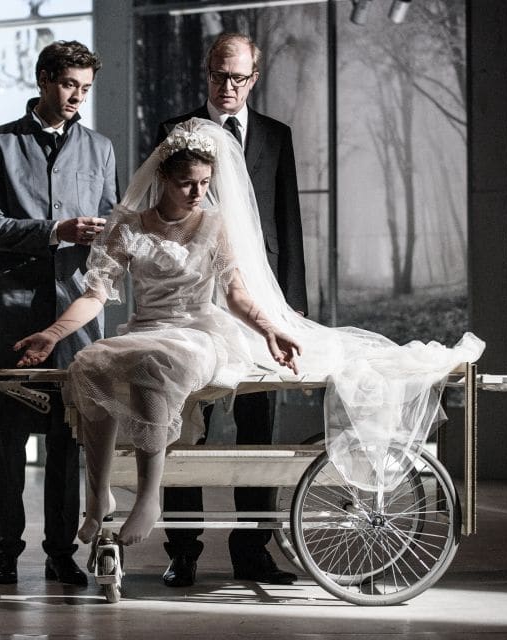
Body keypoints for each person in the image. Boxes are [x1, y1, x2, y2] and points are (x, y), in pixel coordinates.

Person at [14, 118, 484, 575]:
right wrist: (52, 334)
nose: (197, 192)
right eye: (186, 183)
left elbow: (236, 294)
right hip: (147, 327)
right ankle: (98, 494)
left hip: (198, 332)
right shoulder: (129, 226)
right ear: (162, 178)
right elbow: (95, 295)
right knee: (90, 362)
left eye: (204, 183)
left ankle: (149, 496)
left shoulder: (213, 226)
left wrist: (269, 330)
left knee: (155, 365)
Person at [157, 32, 306, 587]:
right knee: (187, 425)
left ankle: (253, 549)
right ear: (207, 72)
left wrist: (290, 313)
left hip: (260, 298)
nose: (227, 86)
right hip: (195, 299)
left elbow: (288, 225)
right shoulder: (176, 130)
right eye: (219, 75)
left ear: (253, 79)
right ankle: (183, 548)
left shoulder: (275, 136)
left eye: (238, 78)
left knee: (257, 428)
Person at [0, 40, 117, 587]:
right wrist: (55, 231)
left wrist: (105, 234)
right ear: (43, 80)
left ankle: (62, 552)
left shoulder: (100, 148)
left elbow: (112, 222)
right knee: (9, 439)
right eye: (69, 85)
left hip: (75, 312)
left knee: (68, 436)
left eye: (85, 88)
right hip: (13, 309)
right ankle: (6, 551)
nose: (77, 96)